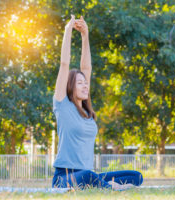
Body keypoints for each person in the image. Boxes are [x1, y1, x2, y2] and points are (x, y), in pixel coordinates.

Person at [51, 14, 143, 191]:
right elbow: (64, 64)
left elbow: (87, 68)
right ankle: (111, 188)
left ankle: (107, 185)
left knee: (135, 176)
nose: (85, 86)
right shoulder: (62, 105)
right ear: (70, 87)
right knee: (89, 176)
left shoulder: (87, 113)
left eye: (86, 83)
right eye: (80, 83)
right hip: (64, 177)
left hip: (87, 173)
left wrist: (85, 36)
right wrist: (68, 30)